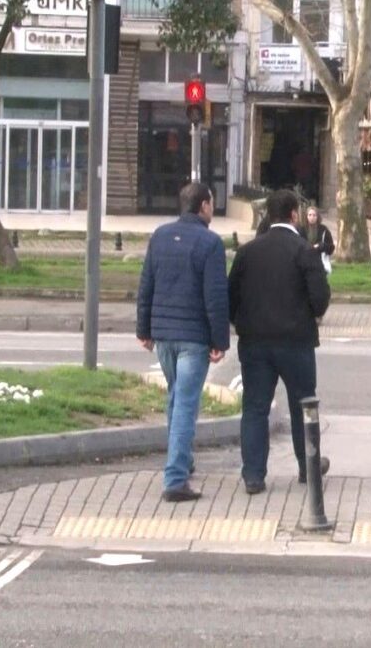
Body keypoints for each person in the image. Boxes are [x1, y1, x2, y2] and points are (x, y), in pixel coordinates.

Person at [229, 190, 331, 495]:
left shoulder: (248, 252)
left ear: (267, 215)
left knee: (255, 406)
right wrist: (309, 315)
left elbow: (231, 294)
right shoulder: (304, 251)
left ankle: (253, 475)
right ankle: (307, 466)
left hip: (255, 342)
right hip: (296, 341)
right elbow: (320, 298)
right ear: (294, 215)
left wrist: (242, 323)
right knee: (303, 405)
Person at [136, 183, 230, 502]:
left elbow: (146, 283)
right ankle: (175, 479)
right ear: (203, 205)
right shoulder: (210, 243)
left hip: (163, 334)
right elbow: (215, 297)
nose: (213, 209)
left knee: (177, 398)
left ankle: (184, 461)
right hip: (194, 337)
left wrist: (143, 328)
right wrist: (220, 341)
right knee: (186, 404)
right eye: (212, 204)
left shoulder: (160, 236)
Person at [300, 206, 335, 273]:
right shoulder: (301, 229)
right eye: (309, 215)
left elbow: (331, 247)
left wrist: (322, 246)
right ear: (306, 216)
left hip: (320, 261)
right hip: (305, 261)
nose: (312, 217)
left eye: (314, 215)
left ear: (317, 217)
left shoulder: (324, 229)